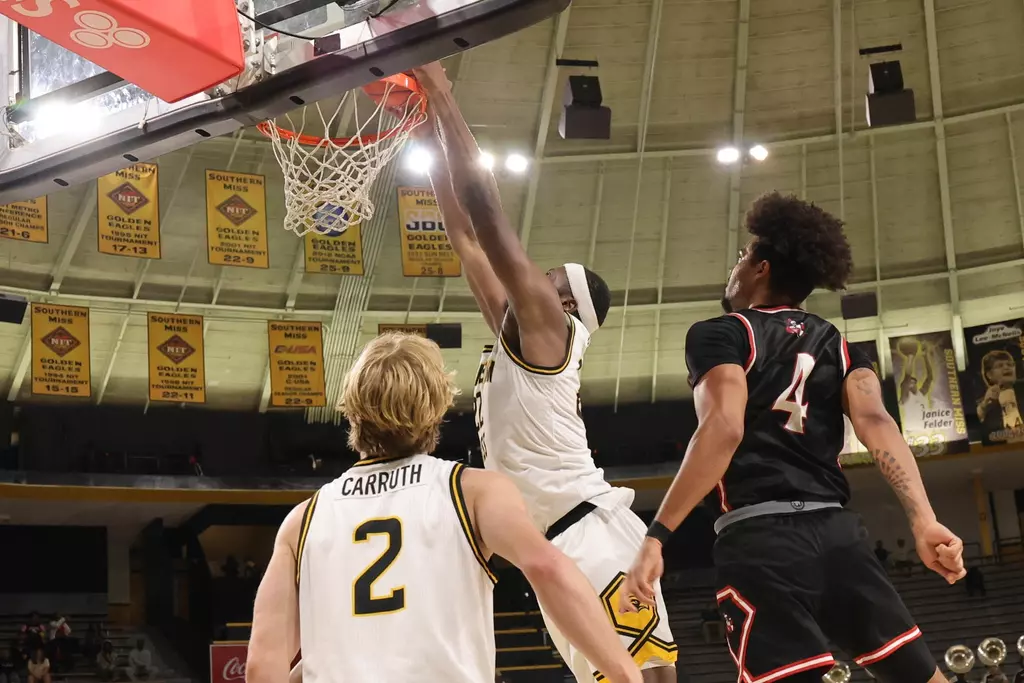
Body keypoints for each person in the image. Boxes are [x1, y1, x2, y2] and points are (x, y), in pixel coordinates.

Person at [620, 192, 966, 683]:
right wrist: (925, 521)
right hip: (839, 535)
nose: (735, 266)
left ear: (760, 268)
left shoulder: (722, 332)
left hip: (761, 541)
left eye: (742, 257)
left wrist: (657, 535)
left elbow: (724, 426)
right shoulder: (840, 345)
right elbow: (879, 426)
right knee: (922, 678)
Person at [410, 61, 677, 683]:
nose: (533, 276)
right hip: (552, 549)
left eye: (548, 276)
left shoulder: (552, 333)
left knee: (651, 677)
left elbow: (486, 217)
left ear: (563, 305)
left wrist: (445, 96)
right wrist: (426, 126)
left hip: (594, 534)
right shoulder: (518, 334)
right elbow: (462, 236)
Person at [245, 333, 643, 683]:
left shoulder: (303, 520)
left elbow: (263, 668)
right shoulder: (472, 491)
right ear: (437, 405)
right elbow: (547, 567)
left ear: (351, 407)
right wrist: (625, 674)